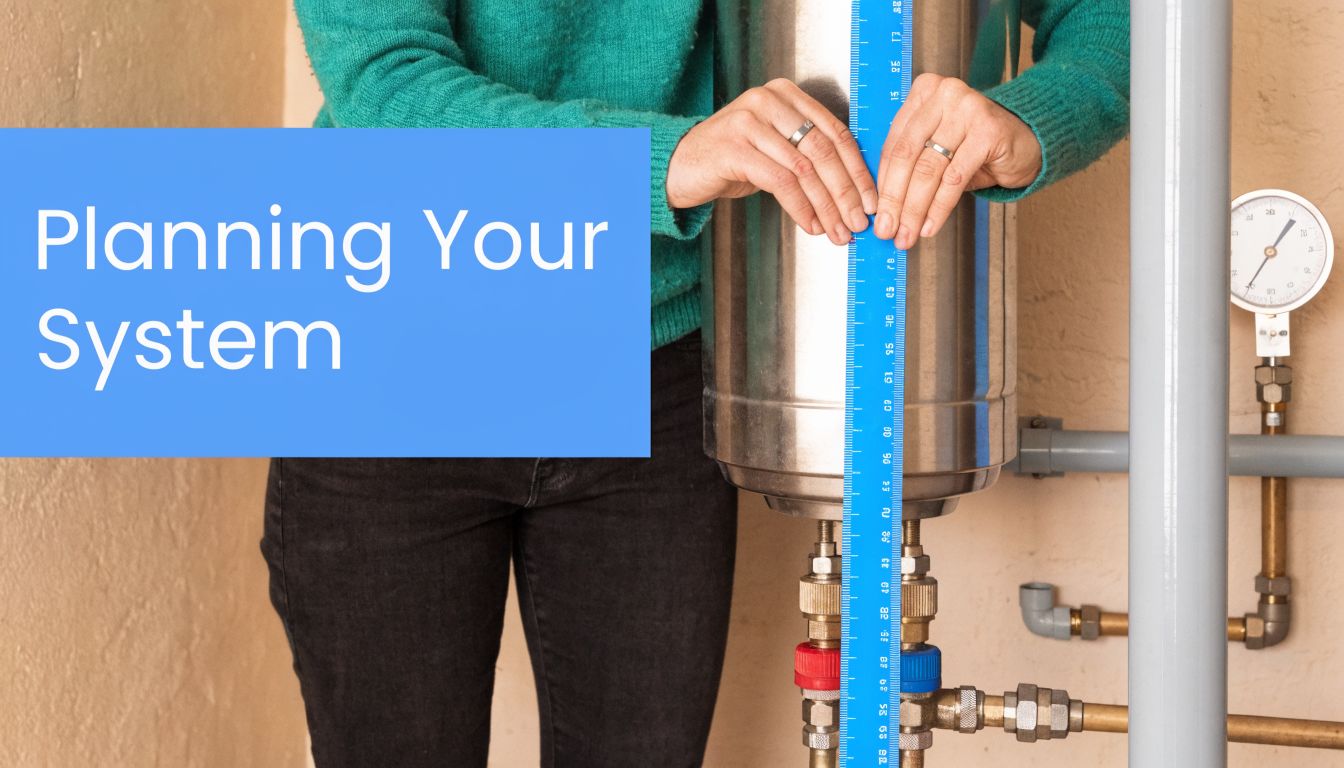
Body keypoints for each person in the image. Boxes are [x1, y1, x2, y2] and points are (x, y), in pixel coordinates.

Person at [262, 1, 1129, 766]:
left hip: (653, 370)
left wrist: (1032, 121)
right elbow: (385, 82)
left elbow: (1116, 20)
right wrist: (666, 160)